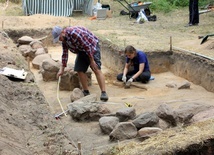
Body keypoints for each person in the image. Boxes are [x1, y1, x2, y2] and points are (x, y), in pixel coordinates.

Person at [52, 26, 108, 101]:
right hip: (81, 50)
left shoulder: (74, 33)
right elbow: (65, 54)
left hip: (92, 46)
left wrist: (92, 61)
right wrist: (62, 70)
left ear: (63, 32)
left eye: (59, 37)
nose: (60, 40)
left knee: (96, 68)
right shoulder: (64, 41)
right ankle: (86, 91)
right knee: (79, 69)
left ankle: (103, 92)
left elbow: (87, 47)